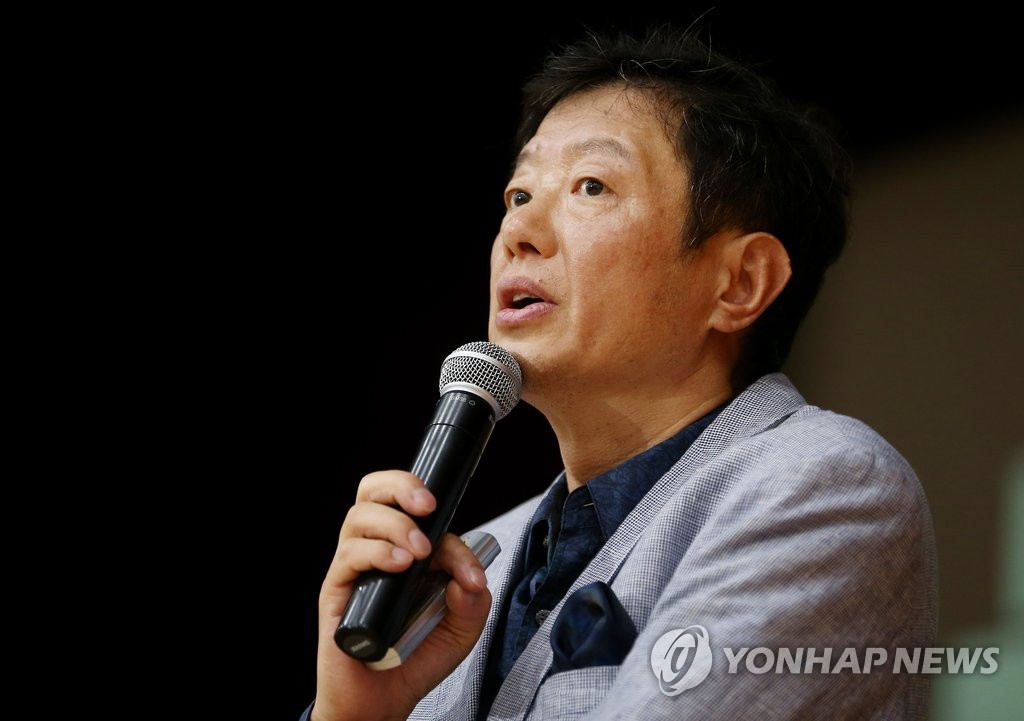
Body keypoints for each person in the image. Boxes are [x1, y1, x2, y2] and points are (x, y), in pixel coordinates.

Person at [302, 23, 937, 721]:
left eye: (591, 186)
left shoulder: (824, 483)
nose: (518, 232)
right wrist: (349, 713)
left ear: (740, 283)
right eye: (518, 195)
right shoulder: (468, 561)